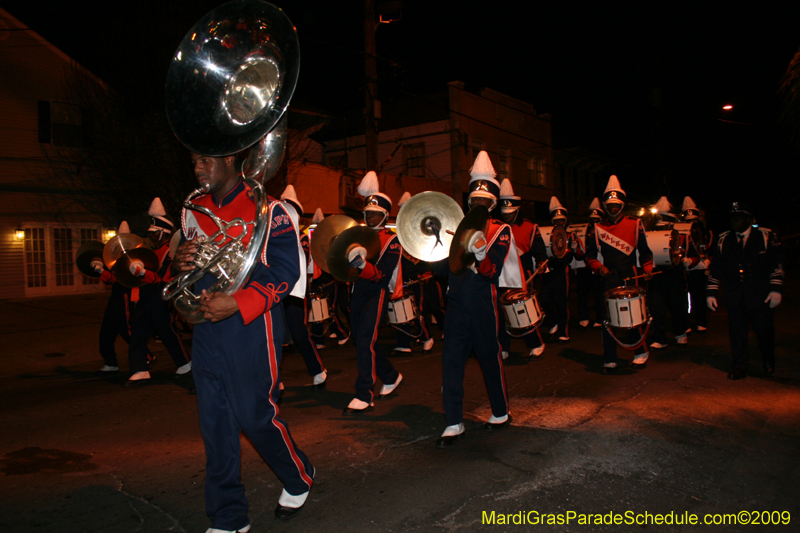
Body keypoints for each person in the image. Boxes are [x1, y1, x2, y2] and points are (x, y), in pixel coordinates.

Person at [174, 153, 314, 531]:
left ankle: (299, 474)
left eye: (206, 160)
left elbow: (286, 270)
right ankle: (229, 515)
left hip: (251, 325)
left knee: (255, 417)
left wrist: (238, 302)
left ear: (230, 158)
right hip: (207, 327)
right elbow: (189, 266)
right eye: (194, 160)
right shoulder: (194, 209)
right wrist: (179, 262)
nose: (197, 168)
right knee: (215, 425)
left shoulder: (270, 209)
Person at [435, 151, 523, 447]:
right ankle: (453, 421)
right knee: (451, 360)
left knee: (489, 357)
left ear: (493, 203)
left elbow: (492, 270)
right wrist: (434, 241)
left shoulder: (501, 230)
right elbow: (440, 269)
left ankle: (500, 411)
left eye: (485, 201)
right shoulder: (456, 227)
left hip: (483, 302)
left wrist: (482, 254)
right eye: (475, 200)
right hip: (456, 303)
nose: (479, 204)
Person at [343, 171, 404, 413]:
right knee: (363, 341)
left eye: (375, 213)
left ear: (385, 215)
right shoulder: (358, 236)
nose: (369, 217)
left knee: (365, 341)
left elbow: (381, 276)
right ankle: (390, 376)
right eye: (367, 213)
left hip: (376, 292)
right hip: (357, 291)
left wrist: (362, 265)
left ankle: (364, 394)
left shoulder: (392, 241)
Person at [584, 175, 654, 373]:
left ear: (622, 205)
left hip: (630, 275)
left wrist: (647, 269)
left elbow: (645, 252)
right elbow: (590, 256)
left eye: (616, 205)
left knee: (633, 316)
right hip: (608, 278)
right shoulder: (598, 227)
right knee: (608, 318)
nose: (613, 208)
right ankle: (610, 358)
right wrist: (599, 267)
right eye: (609, 205)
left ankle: (640, 352)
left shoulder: (635, 224)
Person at [707, 202, 783, 380]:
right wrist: (711, 292)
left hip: (760, 294)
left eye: (739, 217)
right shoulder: (723, 239)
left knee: (764, 331)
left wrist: (776, 289)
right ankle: (740, 365)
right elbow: (716, 268)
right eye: (733, 218)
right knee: (737, 332)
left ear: (749, 219)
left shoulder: (765, 237)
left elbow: (776, 264)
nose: (735, 221)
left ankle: (768, 358)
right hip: (734, 294)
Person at [125, 198, 192, 387]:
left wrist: (143, 273)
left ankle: (185, 364)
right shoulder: (155, 251)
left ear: (163, 233)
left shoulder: (171, 251)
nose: (152, 236)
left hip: (162, 295)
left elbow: (163, 277)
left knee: (166, 331)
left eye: (154, 233)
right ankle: (140, 369)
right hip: (148, 295)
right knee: (138, 331)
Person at [279, 186, 327, 388]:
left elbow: (301, 263)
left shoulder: (302, 239)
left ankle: (318, 369)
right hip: (273, 289)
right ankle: (274, 378)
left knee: (299, 332)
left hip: (294, 292)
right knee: (273, 335)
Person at [496, 178, 546, 359]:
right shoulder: (496, 227)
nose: (507, 217)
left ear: (517, 211)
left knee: (523, 311)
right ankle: (503, 347)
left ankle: (536, 343)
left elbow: (540, 251)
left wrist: (541, 263)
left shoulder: (529, 227)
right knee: (501, 313)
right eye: (504, 214)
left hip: (522, 275)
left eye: (510, 214)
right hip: (501, 275)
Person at [95, 221, 153, 373]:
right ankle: (110, 362)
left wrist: (105, 273)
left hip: (126, 296)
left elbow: (123, 279)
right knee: (106, 331)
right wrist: (102, 271)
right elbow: (111, 280)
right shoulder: (115, 261)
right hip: (116, 296)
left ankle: (146, 355)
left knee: (126, 330)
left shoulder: (133, 260)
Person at [391, 192, 435, 356]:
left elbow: (427, 257)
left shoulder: (420, 233)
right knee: (401, 311)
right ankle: (403, 343)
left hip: (417, 279)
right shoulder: (397, 236)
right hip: (401, 279)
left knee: (416, 311)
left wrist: (425, 273)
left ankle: (427, 337)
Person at [646, 196, 690, 350]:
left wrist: (684, 258)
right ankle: (660, 337)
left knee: (677, 305)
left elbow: (689, 251)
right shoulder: (650, 235)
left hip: (675, 274)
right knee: (656, 307)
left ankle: (680, 332)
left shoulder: (681, 235)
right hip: (657, 275)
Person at [308, 208, 351, 348]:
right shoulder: (313, 244)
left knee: (330, 310)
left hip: (329, 281)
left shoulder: (331, 244)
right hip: (317, 281)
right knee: (317, 310)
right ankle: (318, 339)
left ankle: (342, 333)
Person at [540, 196, 574, 343]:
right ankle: (553, 322)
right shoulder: (547, 235)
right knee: (543, 300)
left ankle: (563, 331)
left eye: (561, 220)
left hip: (562, 272)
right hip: (549, 271)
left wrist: (571, 249)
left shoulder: (570, 235)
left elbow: (571, 257)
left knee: (561, 303)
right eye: (556, 221)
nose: (559, 223)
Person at [681, 196, 712, 334]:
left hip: (700, 269)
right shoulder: (681, 232)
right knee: (683, 298)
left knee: (700, 296)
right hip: (685, 269)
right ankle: (685, 322)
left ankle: (701, 321)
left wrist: (709, 261)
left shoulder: (706, 233)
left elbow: (711, 250)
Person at [575, 199, 605, 329]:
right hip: (583, 266)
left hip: (598, 265)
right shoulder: (583, 229)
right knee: (582, 293)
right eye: (592, 219)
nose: (594, 221)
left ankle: (600, 317)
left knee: (598, 294)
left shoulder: (604, 229)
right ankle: (583, 317)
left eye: (596, 219)